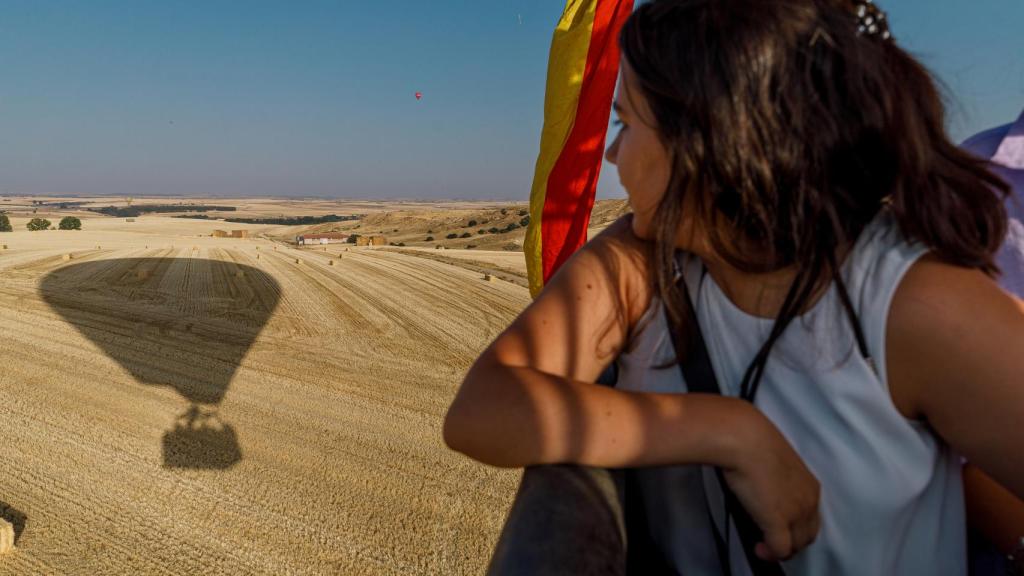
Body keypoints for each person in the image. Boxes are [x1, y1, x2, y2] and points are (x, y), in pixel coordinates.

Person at [445, 0, 1024, 574]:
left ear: (711, 141)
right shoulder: (638, 265)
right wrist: (728, 431)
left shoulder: (909, 304)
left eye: (626, 122)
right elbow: (480, 412)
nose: (615, 154)